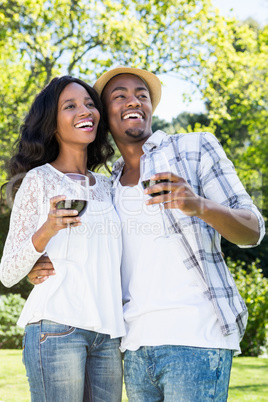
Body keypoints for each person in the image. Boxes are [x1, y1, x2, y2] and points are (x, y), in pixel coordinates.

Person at [28, 67, 265, 401]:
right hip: (133, 348)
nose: (133, 101)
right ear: (103, 116)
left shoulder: (194, 148)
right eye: (119, 95)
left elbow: (252, 229)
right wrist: (39, 261)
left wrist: (198, 205)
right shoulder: (104, 187)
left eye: (141, 94)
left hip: (195, 338)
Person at [0, 76, 125, 402]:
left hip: (109, 334)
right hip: (57, 328)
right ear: (52, 124)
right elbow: (8, 272)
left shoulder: (108, 185)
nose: (85, 111)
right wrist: (48, 229)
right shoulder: (38, 181)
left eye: (88, 104)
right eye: (70, 106)